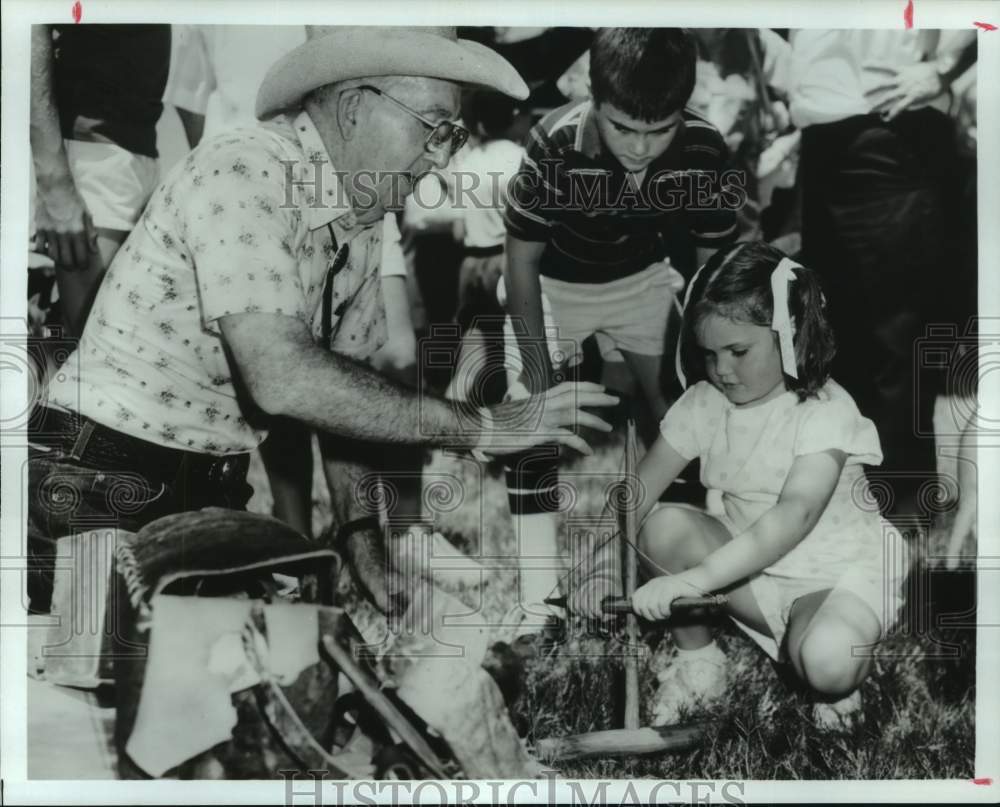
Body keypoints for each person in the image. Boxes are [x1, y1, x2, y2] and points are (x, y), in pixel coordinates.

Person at [27, 26, 618, 616]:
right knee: (150, 688)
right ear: (356, 107)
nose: (441, 157)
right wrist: (480, 427)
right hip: (96, 480)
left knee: (282, 681)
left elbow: (341, 395)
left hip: (206, 490)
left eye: (454, 134)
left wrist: (364, 543)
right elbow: (282, 377)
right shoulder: (248, 168)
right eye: (433, 127)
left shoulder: (359, 216)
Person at [573, 241, 910, 728]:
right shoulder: (704, 404)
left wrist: (694, 581)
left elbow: (793, 515)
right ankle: (700, 662)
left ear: (790, 335)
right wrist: (603, 566)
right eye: (708, 354)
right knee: (663, 527)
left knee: (827, 662)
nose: (721, 369)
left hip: (833, 577)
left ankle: (836, 683)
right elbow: (635, 493)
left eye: (738, 351)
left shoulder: (825, 410)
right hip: (749, 575)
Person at [499, 28, 740, 634]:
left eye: (659, 132)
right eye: (622, 128)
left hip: (640, 279)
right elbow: (520, 262)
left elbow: (716, 265)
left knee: (683, 413)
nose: (639, 148)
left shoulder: (706, 148)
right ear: (592, 96)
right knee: (531, 416)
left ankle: (680, 575)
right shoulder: (552, 142)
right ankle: (537, 599)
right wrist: (537, 374)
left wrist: (705, 354)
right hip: (552, 284)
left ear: (683, 108)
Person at [164, 24, 422, 542]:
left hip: (355, 180)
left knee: (393, 355)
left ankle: (408, 528)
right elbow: (192, 98)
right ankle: (298, 540)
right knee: (281, 375)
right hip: (256, 194)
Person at [788, 29, 976, 527]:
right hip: (823, 143)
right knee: (833, 334)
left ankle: (905, 515)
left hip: (892, 135)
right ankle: (851, 507)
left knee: (893, 342)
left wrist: (944, 67)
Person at [30, 24, 172, 338]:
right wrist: (54, 185)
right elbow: (27, 27)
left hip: (140, 148)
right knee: (97, 347)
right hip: (93, 156)